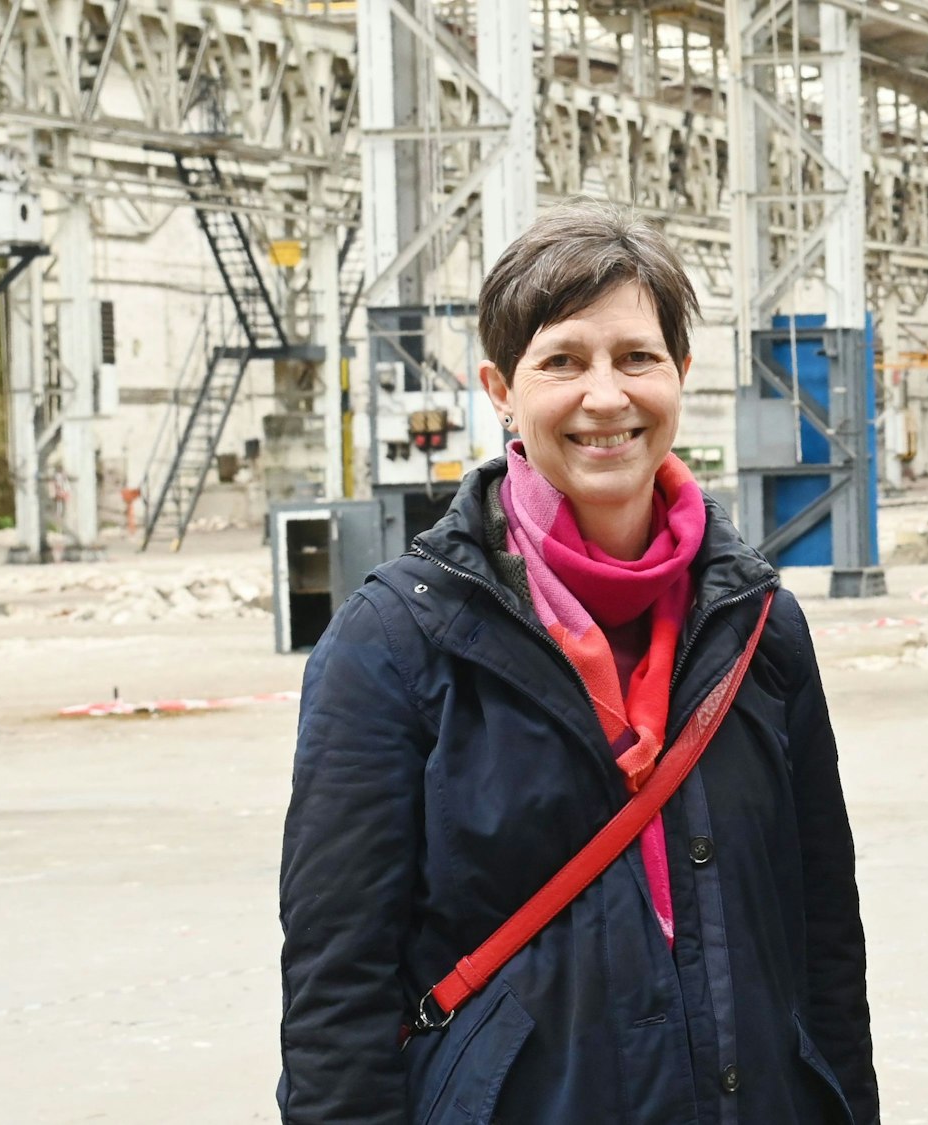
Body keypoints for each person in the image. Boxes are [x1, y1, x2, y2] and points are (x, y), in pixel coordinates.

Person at [281, 200, 878, 1125]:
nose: (606, 396)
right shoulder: (397, 642)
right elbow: (336, 992)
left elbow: (824, 947)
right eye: (562, 361)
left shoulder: (760, 629)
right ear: (501, 388)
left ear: (680, 374)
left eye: (636, 357)